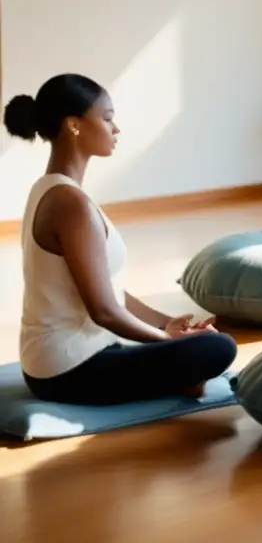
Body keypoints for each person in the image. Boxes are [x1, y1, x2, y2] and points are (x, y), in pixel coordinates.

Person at [2, 74, 237, 405]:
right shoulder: (71, 204)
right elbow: (104, 311)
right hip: (68, 371)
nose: (116, 129)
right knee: (219, 348)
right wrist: (167, 342)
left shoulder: (51, 189)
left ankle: (179, 377)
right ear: (74, 125)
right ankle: (181, 379)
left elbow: (105, 287)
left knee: (202, 347)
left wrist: (167, 322)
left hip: (67, 358)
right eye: (108, 118)